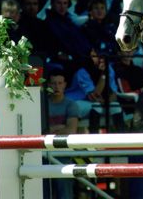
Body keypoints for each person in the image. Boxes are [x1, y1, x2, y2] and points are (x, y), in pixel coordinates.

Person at [67, 49, 125, 133]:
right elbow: (94, 96)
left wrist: (107, 101)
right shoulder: (83, 72)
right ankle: (93, 139)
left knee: (115, 106)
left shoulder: (109, 69)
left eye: (100, 56)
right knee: (96, 106)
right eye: (94, 56)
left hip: (100, 101)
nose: (98, 59)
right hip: (79, 101)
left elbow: (114, 94)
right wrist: (104, 75)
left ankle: (122, 139)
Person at [46, 69, 79, 199]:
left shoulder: (71, 104)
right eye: (53, 83)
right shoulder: (42, 103)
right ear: (48, 85)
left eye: (60, 83)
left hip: (63, 154)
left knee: (64, 194)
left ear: (65, 84)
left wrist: (50, 129)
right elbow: (40, 131)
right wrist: (61, 127)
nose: (57, 86)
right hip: (43, 153)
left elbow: (71, 131)